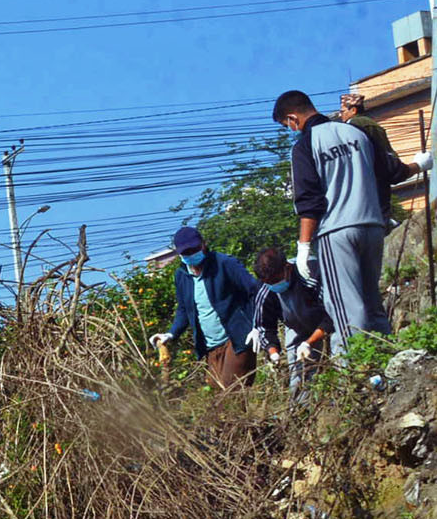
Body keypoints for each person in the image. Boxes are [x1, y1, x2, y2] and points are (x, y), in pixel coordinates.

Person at [275, 89, 418, 339]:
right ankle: (384, 361)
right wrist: (421, 164)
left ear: (293, 118)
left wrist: (304, 247)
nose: (291, 130)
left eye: (288, 125)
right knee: (372, 302)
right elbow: (393, 172)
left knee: (345, 308)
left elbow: (309, 201)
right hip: (372, 227)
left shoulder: (305, 145)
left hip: (336, 233)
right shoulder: (357, 133)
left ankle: (357, 372)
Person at [151, 225, 260, 389]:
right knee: (217, 396)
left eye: (194, 249)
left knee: (230, 394)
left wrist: (257, 324)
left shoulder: (224, 264)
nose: (190, 255)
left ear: (203, 244)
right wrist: (171, 334)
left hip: (237, 339)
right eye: (185, 253)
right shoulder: (182, 276)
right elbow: (184, 310)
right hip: (211, 347)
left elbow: (255, 290)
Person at [249, 246, 333, 382]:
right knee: (299, 377)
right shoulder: (264, 287)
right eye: (269, 283)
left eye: (276, 280)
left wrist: (309, 342)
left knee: (339, 362)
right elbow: (265, 326)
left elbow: (333, 314)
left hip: (328, 323)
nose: (274, 285)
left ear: (287, 267)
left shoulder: (311, 273)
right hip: (296, 328)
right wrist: (273, 352)